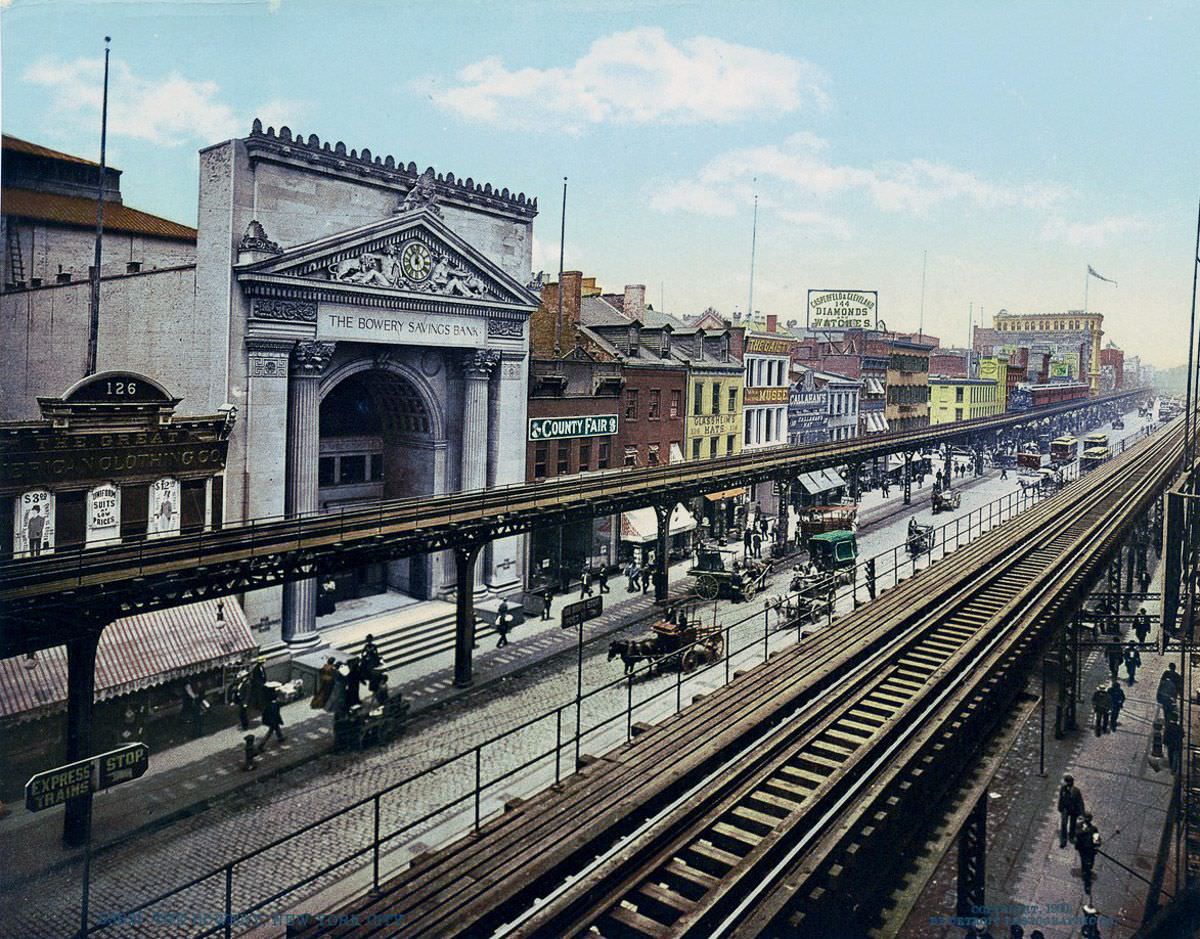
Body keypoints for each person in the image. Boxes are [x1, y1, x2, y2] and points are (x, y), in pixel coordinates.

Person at [1075, 812, 1100, 893]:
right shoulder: (1079, 828)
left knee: (1090, 862)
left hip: (1090, 850)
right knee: (1086, 862)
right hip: (1084, 850)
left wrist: (1097, 844)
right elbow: (1077, 836)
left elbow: (1096, 838)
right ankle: (1086, 877)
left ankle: (1086, 870)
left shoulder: (1093, 828)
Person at [1058, 774, 1085, 848]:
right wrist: (1060, 807)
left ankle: (1072, 836)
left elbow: (1080, 802)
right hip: (1065, 809)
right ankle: (1063, 840)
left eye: (1066, 782)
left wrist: (1081, 813)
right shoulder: (1063, 789)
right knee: (1064, 824)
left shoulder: (1076, 791)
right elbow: (1061, 798)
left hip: (1073, 810)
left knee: (1073, 824)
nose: (1064, 783)